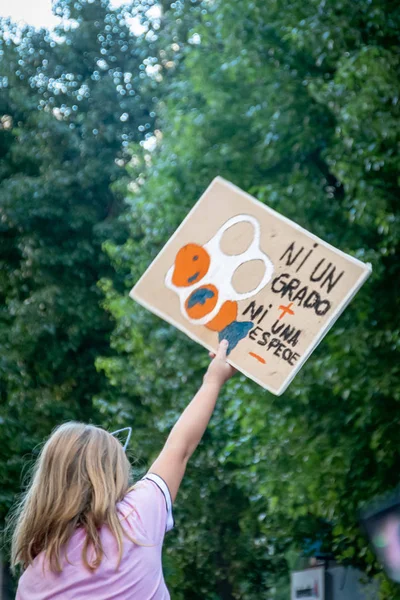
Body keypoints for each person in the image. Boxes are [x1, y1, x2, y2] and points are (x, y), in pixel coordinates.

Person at [11, 340, 235, 599]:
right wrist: (213, 380)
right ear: (111, 474)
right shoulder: (137, 516)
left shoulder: (32, 584)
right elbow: (180, 447)